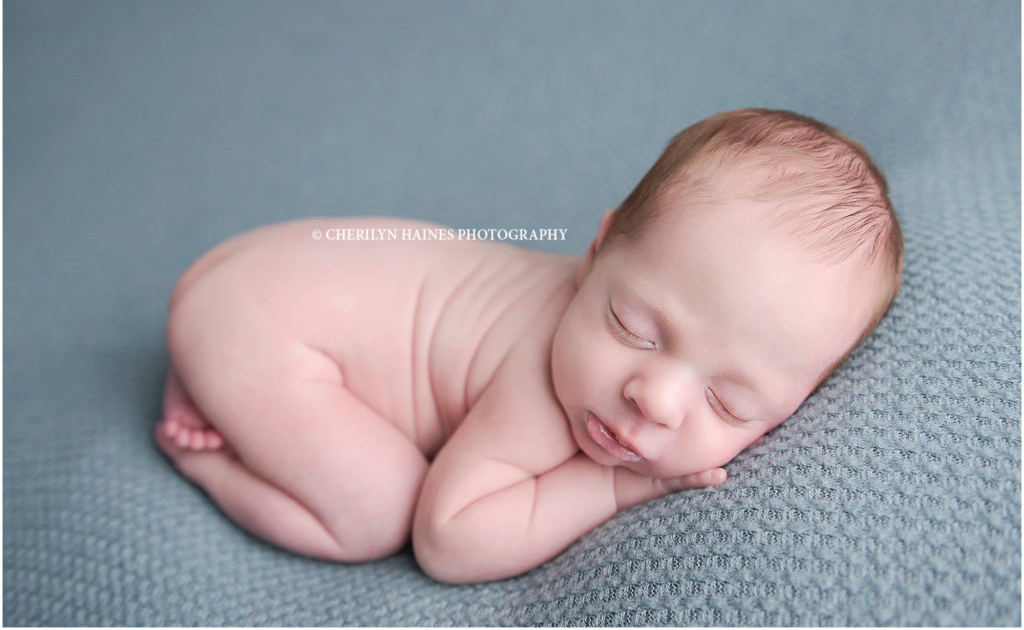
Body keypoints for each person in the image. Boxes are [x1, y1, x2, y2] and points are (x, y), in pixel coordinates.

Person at [154, 108, 903, 584]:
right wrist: (617, 485)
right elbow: (446, 538)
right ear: (597, 250)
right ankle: (206, 451)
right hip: (264, 321)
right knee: (376, 512)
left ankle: (212, 371)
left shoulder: (628, 310)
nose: (656, 396)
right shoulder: (540, 386)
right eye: (634, 327)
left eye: (728, 400)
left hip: (264, 268)